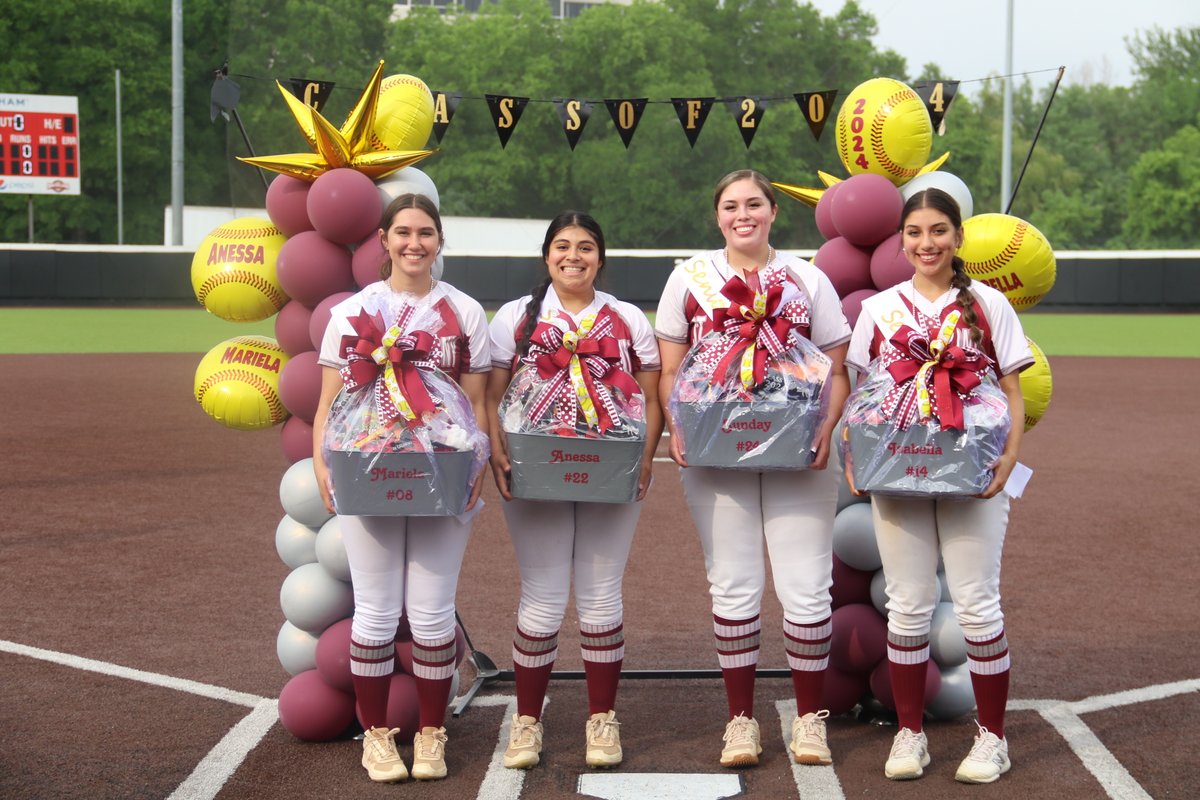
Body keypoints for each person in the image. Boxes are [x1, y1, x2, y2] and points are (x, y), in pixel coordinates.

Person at [655, 169, 851, 768]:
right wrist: (677, 426)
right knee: (734, 584)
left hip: (797, 450)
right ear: (718, 217)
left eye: (755, 204)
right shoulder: (689, 277)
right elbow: (671, 370)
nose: (744, 214)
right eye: (731, 206)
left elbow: (836, 371)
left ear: (772, 212)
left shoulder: (807, 277)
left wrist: (826, 429)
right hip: (719, 454)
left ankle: (810, 720)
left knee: (806, 588)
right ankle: (740, 720)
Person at [843, 187, 1032, 784]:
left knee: (977, 603)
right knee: (908, 605)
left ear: (958, 238)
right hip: (898, 478)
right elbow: (858, 397)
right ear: (901, 240)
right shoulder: (880, 309)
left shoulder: (989, 306)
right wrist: (854, 459)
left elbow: (1013, 396)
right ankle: (909, 734)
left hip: (971, 480)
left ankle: (992, 739)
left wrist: (1007, 462)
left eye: (939, 231)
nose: (927, 243)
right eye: (916, 232)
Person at [312, 193, 492, 783]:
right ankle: (377, 738)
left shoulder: (463, 311)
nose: (415, 243)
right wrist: (322, 467)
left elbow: (475, 404)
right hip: (370, 470)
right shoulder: (354, 312)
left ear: (440, 242)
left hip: (442, 472)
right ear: (384, 241)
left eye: (426, 233)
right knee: (376, 614)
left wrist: (478, 467)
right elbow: (328, 406)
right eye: (403, 233)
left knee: (434, 616)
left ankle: (434, 735)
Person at [487, 211, 663, 770]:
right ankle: (527, 722)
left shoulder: (627, 317)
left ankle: (601, 721)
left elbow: (652, 398)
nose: (573, 256)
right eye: (562, 246)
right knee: (540, 595)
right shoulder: (517, 316)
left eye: (586, 247)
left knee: (600, 594)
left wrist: (644, 457)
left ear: (600, 258)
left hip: (610, 468)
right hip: (537, 470)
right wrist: (498, 453)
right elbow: (492, 396)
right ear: (546, 257)